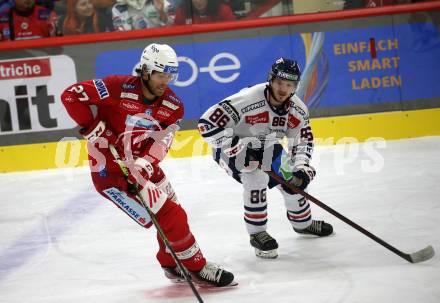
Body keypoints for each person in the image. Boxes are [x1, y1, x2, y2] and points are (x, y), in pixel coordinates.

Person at [61, 43, 236, 287]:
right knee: (171, 214)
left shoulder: (173, 105)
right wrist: (92, 128)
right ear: (145, 71)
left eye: (170, 75)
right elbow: (70, 95)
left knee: (173, 211)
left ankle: (171, 264)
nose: (165, 81)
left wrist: (143, 166)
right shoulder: (117, 87)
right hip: (111, 172)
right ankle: (197, 267)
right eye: (160, 74)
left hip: (142, 167)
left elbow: (163, 141)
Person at [198, 58, 333, 259]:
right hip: (228, 148)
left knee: (293, 180)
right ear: (271, 80)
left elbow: (302, 142)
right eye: (279, 82)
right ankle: (257, 233)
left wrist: (301, 168)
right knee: (255, 177)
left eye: (289, 85)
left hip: (267, 146)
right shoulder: (249, 99)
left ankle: (303, 224)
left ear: (295, 86)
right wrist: (237, 146)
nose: (283, 89)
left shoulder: (297, 109)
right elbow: (206, 124)